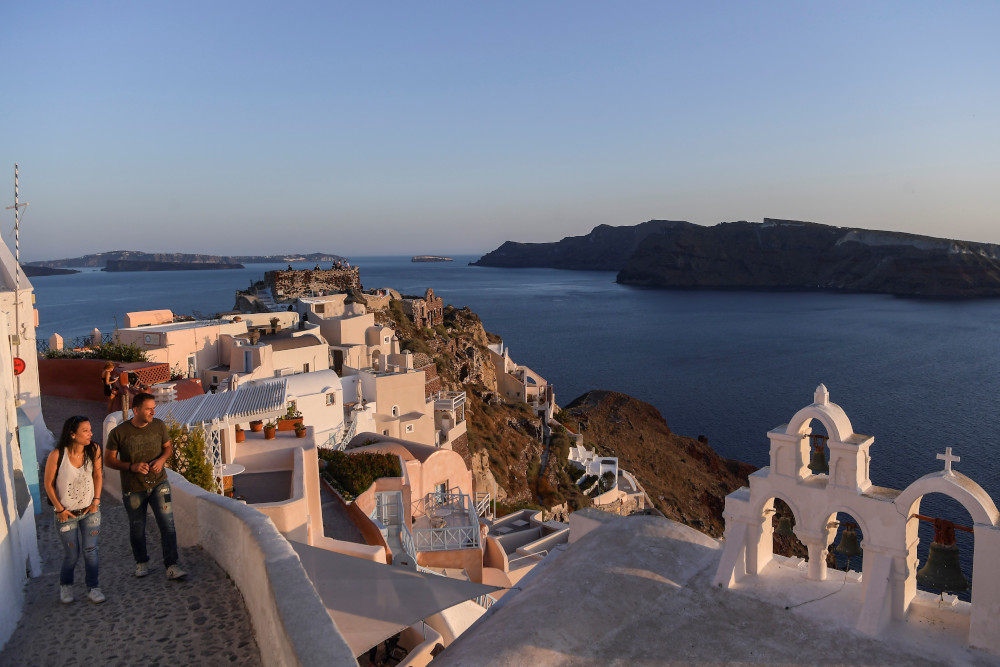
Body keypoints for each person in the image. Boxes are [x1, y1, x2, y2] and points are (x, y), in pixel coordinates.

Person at [105, 393, 186, 580]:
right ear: (136, 410)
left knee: (168, 525)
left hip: (159, 483)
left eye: (153, 408)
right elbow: (109, 460)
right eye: (148, 408)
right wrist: (131, 467)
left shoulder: (158, 425)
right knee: (137, 527)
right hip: (133, 488)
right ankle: (141, 562)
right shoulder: (119, 433)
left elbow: (168, 447)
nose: (153, 412)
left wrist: (162, 460)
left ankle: (172, 565)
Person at [44, 416, 105, 604]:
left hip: (90, 511)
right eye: (85, 431)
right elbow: (48, 483)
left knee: (91, 550)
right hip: (66, 514)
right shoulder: (57, 455)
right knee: (72, 554)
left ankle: (93, 588)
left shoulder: (94, 449)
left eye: (90, 429)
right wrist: (59, 508)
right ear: (72, 434)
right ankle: (66, 586)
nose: (90, 434)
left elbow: (97, 474)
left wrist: (96, 500)